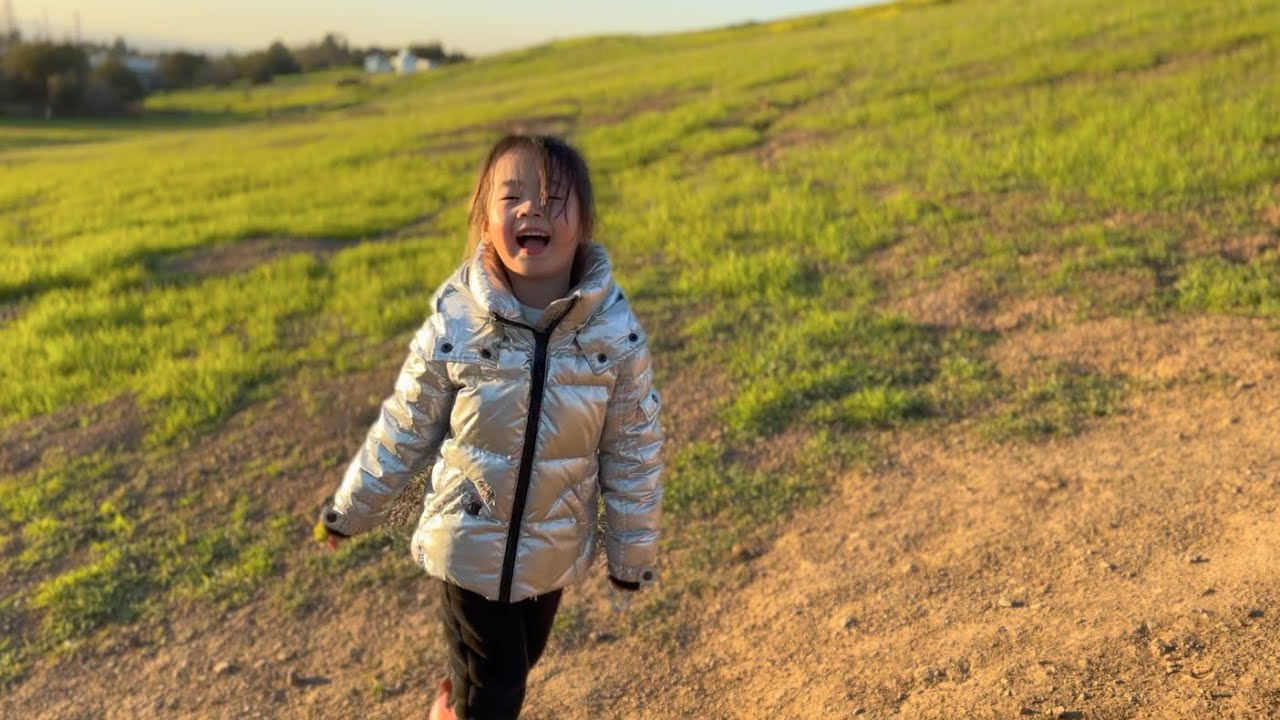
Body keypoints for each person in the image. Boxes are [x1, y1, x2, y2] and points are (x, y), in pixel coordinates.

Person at [318, 134, 664, 720]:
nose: (533, 208)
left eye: (555, 198)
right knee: (500, 689)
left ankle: (453, 699)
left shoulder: (612, 335)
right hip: (467, 543)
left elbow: (633, 448)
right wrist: (351, 508)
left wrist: (630, 556)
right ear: (485, 225)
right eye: (513, 196)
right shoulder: (456, 323)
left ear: (583, 226)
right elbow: (405, 427)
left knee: (515, 663)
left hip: (550, 548)